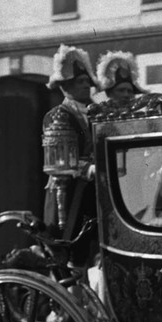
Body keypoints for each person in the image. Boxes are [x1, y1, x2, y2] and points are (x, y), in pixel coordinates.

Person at [42, 44, 101, 265]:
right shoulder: (59, 115)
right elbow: (62, 162)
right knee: (71, 254)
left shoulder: (97, 111)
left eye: (88, 81)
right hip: (67, 195)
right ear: (65, 87)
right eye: (80, 82)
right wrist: (90, 168)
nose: (87, 85)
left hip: (93, 191)